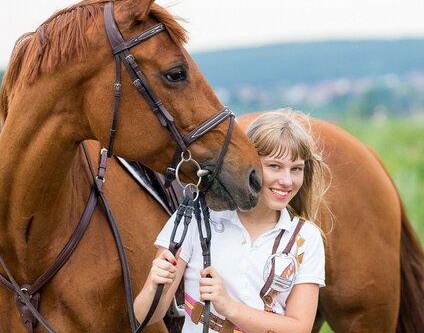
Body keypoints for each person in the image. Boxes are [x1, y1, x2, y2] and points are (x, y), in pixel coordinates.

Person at [134, 108, 328, 333]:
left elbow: (300, 328)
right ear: (251, 162)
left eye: (296, 169)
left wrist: (229, 307)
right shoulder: (196, 218)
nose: (286, 180)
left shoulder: (306, 238)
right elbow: (144, 315)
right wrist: (154, 287)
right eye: (275, 166)